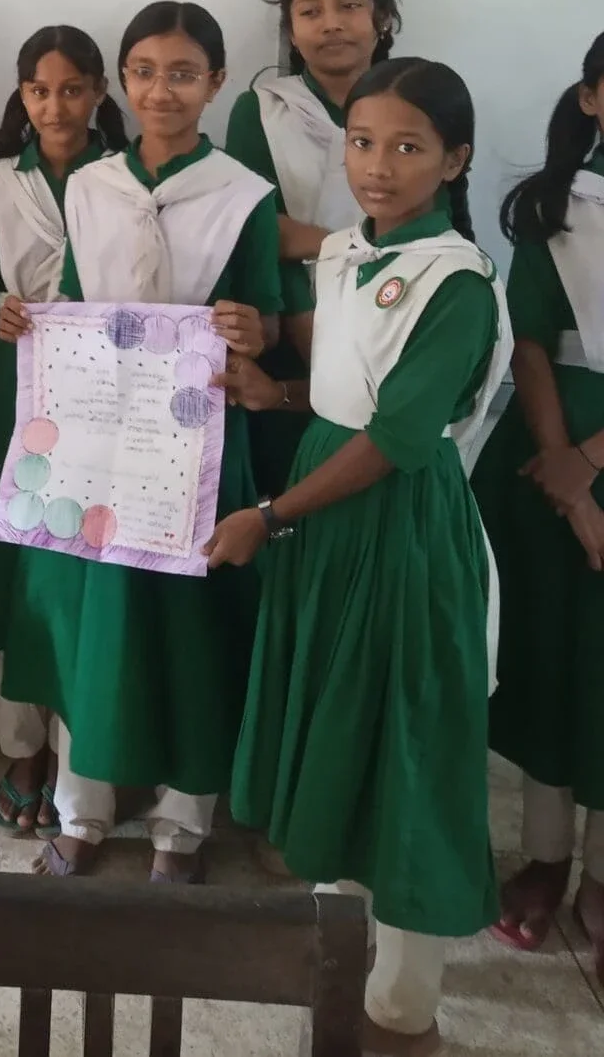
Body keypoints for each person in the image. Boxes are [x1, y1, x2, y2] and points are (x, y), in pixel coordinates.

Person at [211, 58, 509, 1057]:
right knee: (339, 727)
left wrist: (269, 511)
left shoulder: (457, 282)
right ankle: (344, 957)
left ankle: (404, 1006)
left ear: (455, 159)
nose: (378, 166)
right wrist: (278, 397)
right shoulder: (351, 250)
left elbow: (395, 438)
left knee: (409, 748)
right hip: (327, 518)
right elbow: (347, 393)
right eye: (364, 141)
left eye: (409, 146)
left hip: (396, 529)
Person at [1, 1, 282, 880]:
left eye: (184, 73)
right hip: (97, 443)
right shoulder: (93, 186)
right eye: (146, 72)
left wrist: (251, 331)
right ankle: (82, 813)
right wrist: (27, 321)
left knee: (187, 632)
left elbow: (267, 320)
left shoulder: (242, 195)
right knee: (95, 630)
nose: (164, 90)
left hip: (197, 446)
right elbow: (78, 308)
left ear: (216, 84)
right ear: (123, 83)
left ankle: (180, 829)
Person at [0, 26, 127, 836]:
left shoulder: (129, 180)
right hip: (13, 393)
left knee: (85, 577)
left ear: (99, 92)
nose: (55, 105)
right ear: (20, 97)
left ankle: (80, 762)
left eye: (72, 88)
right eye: (38, 90)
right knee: (14, 586)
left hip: (103, 398)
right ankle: (22, 752)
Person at [472, 34, 604, 976]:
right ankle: (547, 856)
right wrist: (560, 461)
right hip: (545, 451)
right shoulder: (556, 208)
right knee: (552, 660)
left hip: (586, 451)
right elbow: (529, 344)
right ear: (593, 98)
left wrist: (589, 462)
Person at [226, 0, 401, 494]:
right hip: (292, 342)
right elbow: (262, 230)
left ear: (382, 17)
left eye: (349, 5)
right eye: (310, 11)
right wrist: (357, 251)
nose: (331, 24)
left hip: (402, 324)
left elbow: (443, 230)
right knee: (286, 504)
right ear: (291, 29)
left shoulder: (415, 102)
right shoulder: (263, 109)